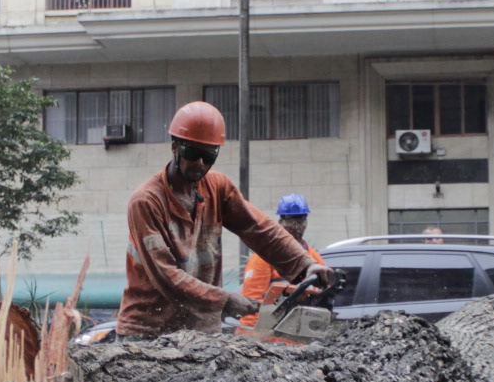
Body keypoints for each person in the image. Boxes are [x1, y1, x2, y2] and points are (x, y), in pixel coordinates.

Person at [117, 102, 335, 338]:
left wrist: (305, 265)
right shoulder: (147, 202)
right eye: (193, 153)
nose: (200, 163)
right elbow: (166, 276)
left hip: (200, 332)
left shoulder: (217, 188)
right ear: (175, 147)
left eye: (209, 155)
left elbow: (259, 229)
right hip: (148, 332)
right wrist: (225, 300)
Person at [240, 193, 326, 329]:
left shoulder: (315, 259)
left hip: (301, 341)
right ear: (280, 223)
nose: (296, 227)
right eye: (291, 222)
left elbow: (321, 300)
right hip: (272, 341)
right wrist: (252, 340)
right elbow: (251, 303)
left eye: (301, 221)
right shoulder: (264, 258)